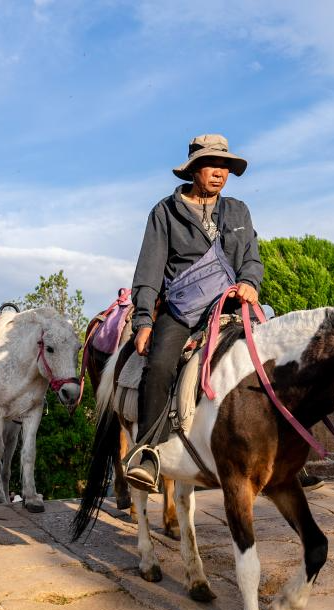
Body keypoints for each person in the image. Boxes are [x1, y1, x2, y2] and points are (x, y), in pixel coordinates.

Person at [126, 134, 263, 492]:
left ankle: (284, 456)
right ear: (193, 170)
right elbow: (149, 272)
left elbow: (252, 258)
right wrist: (143, 321)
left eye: (225, 167)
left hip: (233, 304)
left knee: (277, 356)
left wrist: (250, 281)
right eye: (211, 165)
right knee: (158, 366)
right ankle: (146, 453)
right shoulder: (165, 212)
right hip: (183, 311)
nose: (219, 173)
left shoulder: (239, 211)